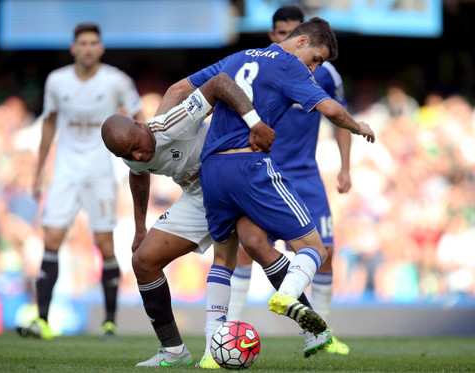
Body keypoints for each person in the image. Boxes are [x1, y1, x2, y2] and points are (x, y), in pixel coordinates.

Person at [157, 16, 375, 367]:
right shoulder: (291, 67)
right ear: (301, 41)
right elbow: (331, 110)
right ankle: (288, 295)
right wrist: (359, 125)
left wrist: (159, 132)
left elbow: (179, 89)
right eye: (316, 58)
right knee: (315, 247)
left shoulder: (238, 57)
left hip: (212, 170)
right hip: (249, 167)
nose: (315, 67)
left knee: (230, 255)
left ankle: (214, 349)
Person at [101, 72, 275, 367]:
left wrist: (254, 123)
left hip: (230, 182)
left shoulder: (174, 121)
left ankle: (316, 331)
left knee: (257, 249)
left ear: (141, 125)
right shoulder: (128, 152)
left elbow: (219, 83)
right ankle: (173, 350)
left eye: (137, 145)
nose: (138, 154)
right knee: (143, 262)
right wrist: (140, 227)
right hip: (197, 197)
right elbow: (137, 174)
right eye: (127, 153)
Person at [227, 6, 352, 355]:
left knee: (324, 252)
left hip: (306, 174)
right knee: (246, 248)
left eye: (292, 34)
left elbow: (338, 117)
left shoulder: (325, 74)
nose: (286, 39)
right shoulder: (259, 69)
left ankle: (321, 330)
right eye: (281, 33)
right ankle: (229, 329)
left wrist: (345, 166)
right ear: (273, 36)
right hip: (264, 170)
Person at [16, 23, 144, 340]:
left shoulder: (116, 80)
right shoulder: (57, 81)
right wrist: (38, 170)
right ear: (74, 48)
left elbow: (140, 116)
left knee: (104, 245)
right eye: (82, 43)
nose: (88, 48)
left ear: (101, 48)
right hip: (66, 173)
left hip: (100, 174)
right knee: (51, 240)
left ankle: (110, 322)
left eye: (93, 43)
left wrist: (141, 156)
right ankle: (42, 320)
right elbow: (48, 123)